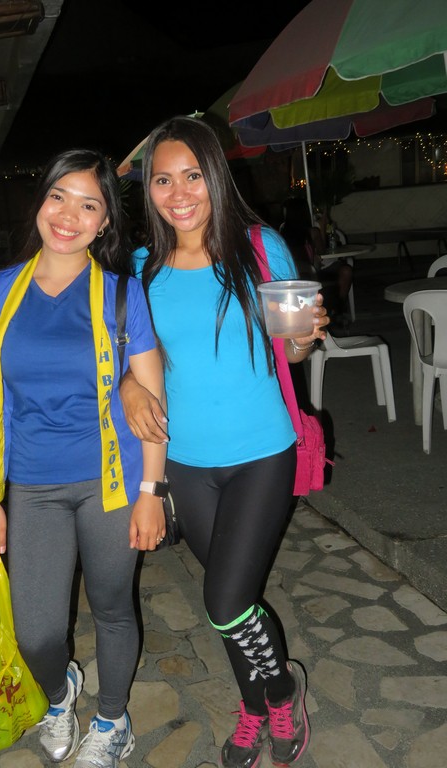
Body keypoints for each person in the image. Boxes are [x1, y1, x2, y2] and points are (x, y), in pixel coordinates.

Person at [119, 117, 329, 768]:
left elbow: (291, 351)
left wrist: (303, 337)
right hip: (186, 461)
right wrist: (127, 387)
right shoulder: (141, 269)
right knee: (232, 607)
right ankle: (256, 703)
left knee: (225, 599)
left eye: (191, 176)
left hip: (263, 451)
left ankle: (281, 691)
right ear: (149, 190)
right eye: (163, 180)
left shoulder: (261, 248)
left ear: (214, 176)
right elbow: (132, 361)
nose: (178, 193)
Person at [0, 148, 166, 768]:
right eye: (59, 197)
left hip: (112, 480)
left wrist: (151, 492)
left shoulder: (122, 295)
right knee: (37, 633)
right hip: (32, 484)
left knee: (113, 607)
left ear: (104, 223)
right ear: (41, 201)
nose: (69, 216)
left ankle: (112, 718)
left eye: (88, 205)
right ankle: (60, 694)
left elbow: (151, 401)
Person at [280, 196, 353, 322]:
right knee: (346, 270)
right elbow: (322, 250)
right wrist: (322, 227)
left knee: (343, 270)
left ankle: (336, 308)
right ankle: (339, 308)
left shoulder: (282, 233)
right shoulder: (312, 232)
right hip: (311, 272)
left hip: (297, 274)